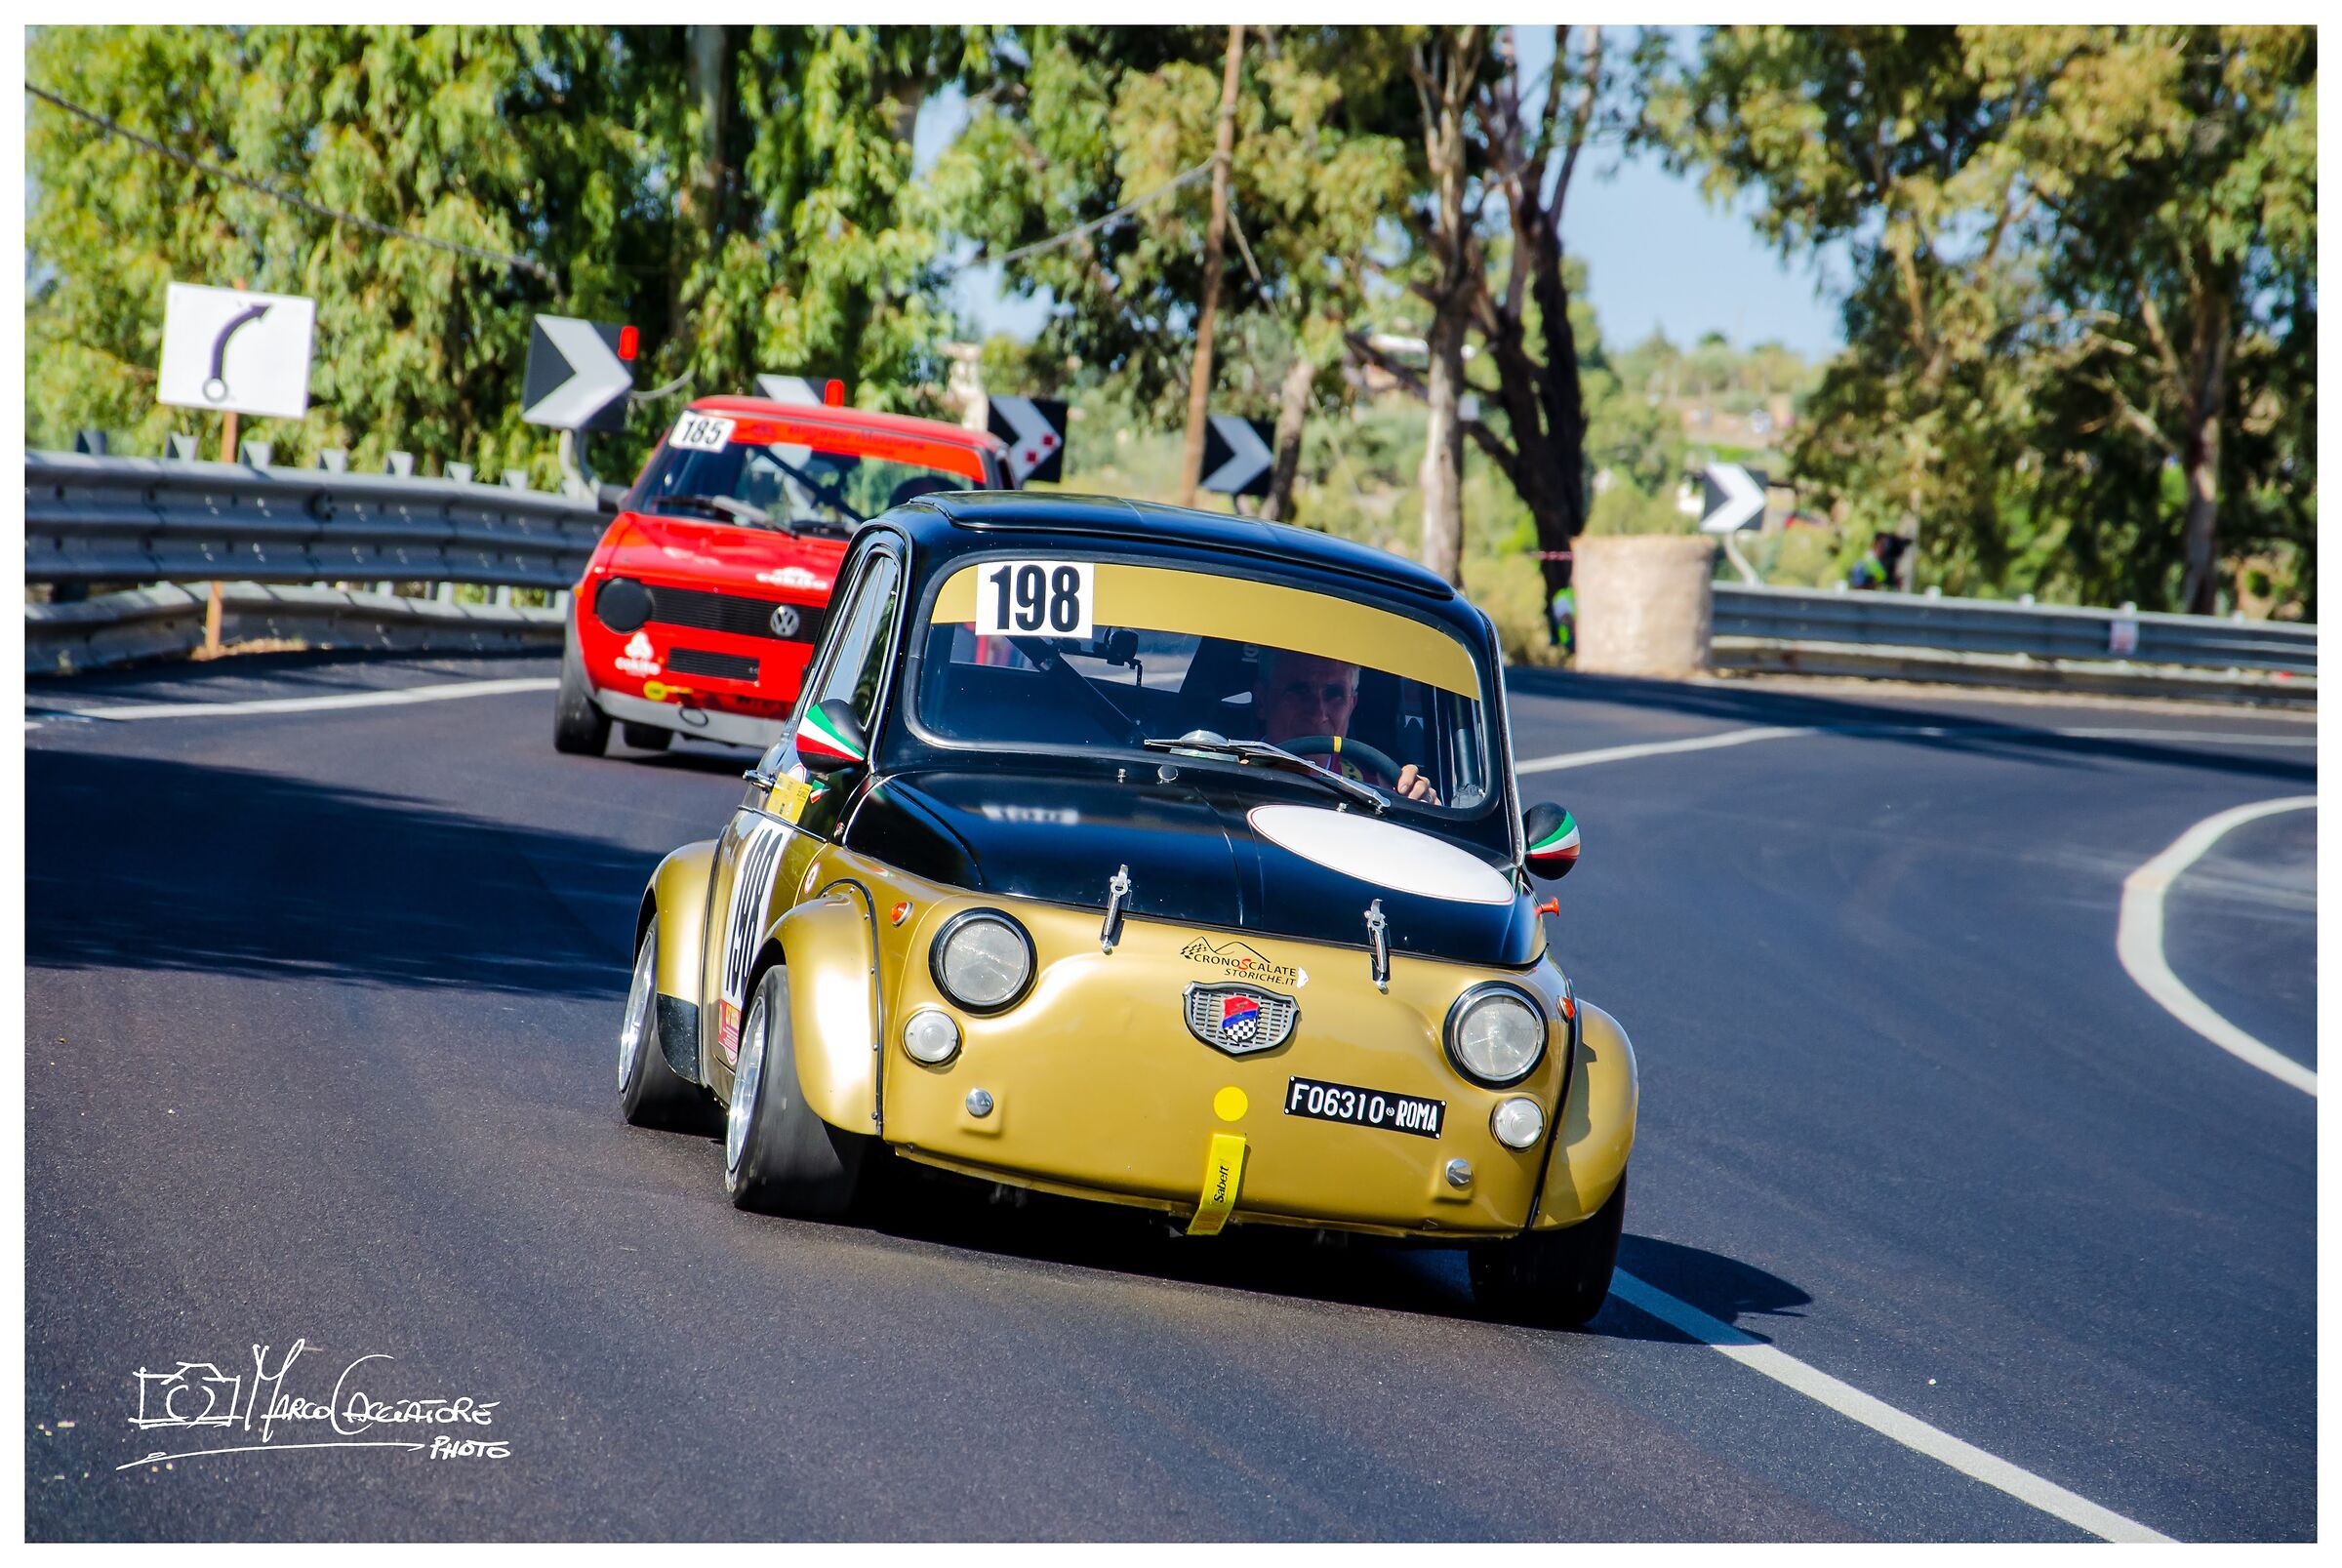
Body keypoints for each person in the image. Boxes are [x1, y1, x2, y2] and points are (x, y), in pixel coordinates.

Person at [1252, 648, 1439, 803]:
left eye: (1334, 694)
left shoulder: (1377, 794)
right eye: (1300, 691)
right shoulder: (1229, 769)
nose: (1318, 714)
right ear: (1262, 701)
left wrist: (1419, 804)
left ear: (1352, 705)